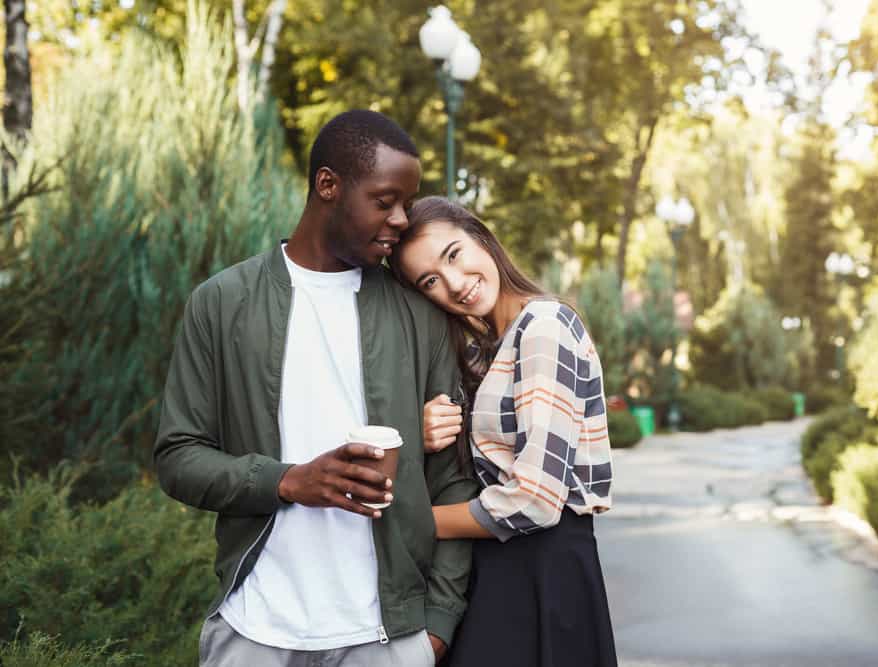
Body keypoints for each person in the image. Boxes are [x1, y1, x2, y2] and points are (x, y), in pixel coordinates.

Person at [154, 111, 478, 667]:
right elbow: (178, 457)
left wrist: (438, 623)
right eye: (385, 200)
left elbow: (451, 478)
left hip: (387, 636)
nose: (401, 219)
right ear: (328, 185)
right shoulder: (222, 301)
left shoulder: (417, 316)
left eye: (407, 202)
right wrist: (287, 481)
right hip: (255, 629)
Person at [389, 196, 617, 667]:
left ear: (480, 236)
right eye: (430, 280)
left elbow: (535, 499)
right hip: (498, 567)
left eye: (453, 254)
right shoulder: (485, 350)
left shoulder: (545, 326)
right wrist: (425, 428)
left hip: (546, 570)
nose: (454, 283)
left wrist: (415, 521)